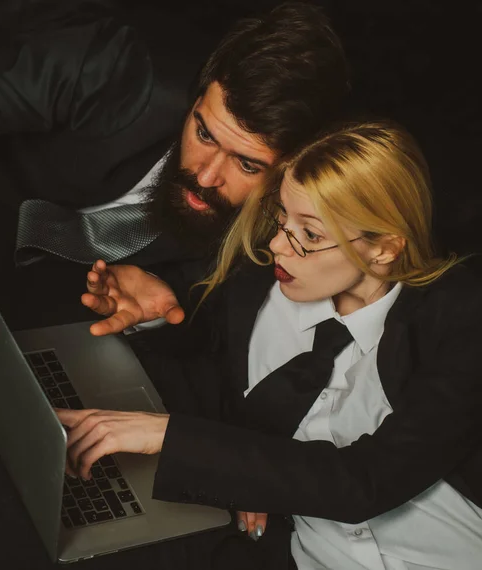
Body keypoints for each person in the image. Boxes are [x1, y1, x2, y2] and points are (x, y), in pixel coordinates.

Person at [65, 120, 482, 569]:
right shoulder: (259, 284)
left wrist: (167, 436)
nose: (278, 246)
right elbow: (206, 341)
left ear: (384, 248)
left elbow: (368, 480)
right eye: (282, 219)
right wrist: (157, 314)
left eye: (311, 235)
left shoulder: (458, 318)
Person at [0, 0, 348, 327]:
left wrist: (154, 302)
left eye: (247, 165)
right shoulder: (108, 70)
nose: (206, 176)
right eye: (203, 133)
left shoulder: (288, 226)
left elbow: (207, 307)